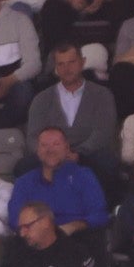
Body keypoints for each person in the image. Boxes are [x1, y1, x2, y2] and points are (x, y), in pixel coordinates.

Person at [25, 47, 121, 187]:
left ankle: (102, 207)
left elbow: (103, 132)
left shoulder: (102, 95)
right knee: (23, 167)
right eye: (61, 64)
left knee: (107, 163)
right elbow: (33, 136)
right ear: (56, 68)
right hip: (50, 154)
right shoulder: (42, 98)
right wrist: (51, 154)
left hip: (88, 154)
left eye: (71, 62)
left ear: (82, 62)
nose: (66, 68)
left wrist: (78, 153)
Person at [9, 128, 111, 241]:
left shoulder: (83, 175)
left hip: (77, 238)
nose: (50, 150)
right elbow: (15, 219)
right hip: (36, 241)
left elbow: (99, 215)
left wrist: (75, 226)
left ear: (67, 148)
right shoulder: (24, 182)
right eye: (44, 145)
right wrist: (39, 230)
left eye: (56, 144)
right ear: (37, 150)